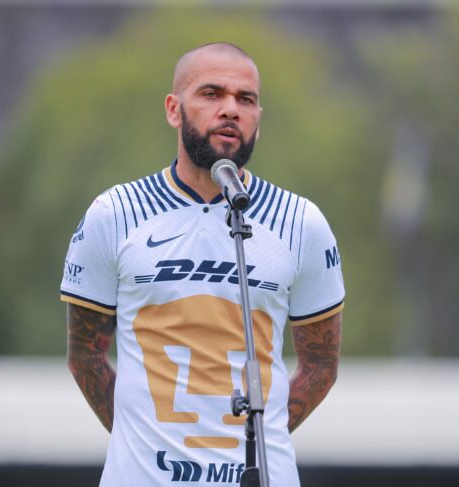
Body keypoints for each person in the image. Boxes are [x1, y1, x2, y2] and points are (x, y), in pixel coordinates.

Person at [60, 42, 344, 486]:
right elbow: (85, 357)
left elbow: (321, 366)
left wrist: (257, 441)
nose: (230, 109)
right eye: (211, 94)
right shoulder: (113, 214)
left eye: (245, 99)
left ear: (258, 120)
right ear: (174, 109)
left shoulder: (301, 222)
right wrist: (145, 443)